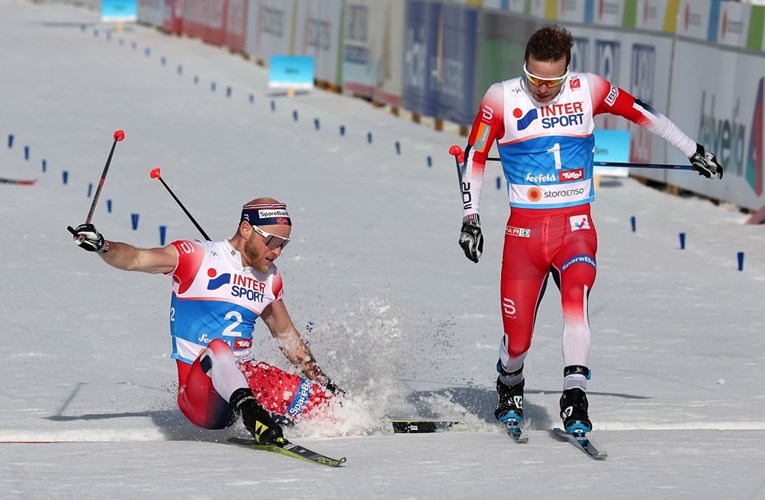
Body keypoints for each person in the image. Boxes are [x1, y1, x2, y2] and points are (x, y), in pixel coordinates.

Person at [457, 25, 723, 435]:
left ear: (568, 73)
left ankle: (574, 394)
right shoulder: (501, 96)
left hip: (574, 226)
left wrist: (694, 150)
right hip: (524, 235)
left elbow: (643, 113)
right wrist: (471, 217)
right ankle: (509, 382)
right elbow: (474, 155)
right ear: (523, 67)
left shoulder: (589, 89)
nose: (542, 89)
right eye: (534, 79)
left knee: (576, 297)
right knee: (518, 342)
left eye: (551, 82)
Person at [70, 198, 341, 445]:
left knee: (326, 405)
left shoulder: (270, 278)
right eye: (272, 241)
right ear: (246, 230)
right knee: (219, 348)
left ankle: (332, 412)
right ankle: (253, 414)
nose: (278, 251)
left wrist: (327, 385)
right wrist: (103, 246)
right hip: (201, 398)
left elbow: (287, 337)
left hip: (244, 377)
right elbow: (137, 258)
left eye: (284, 244)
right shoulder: (196, 256)